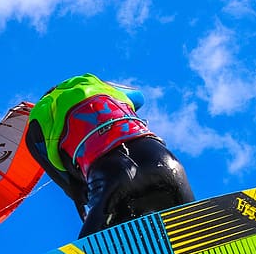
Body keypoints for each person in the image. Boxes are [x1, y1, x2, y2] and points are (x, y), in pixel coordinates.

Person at [25, 73, 194, 238]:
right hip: (162, 161)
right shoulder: (95, 82)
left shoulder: (39, 114)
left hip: (110, 176)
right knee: (194, 233)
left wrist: (83, 200)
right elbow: (139, 97)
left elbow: (71, 186)